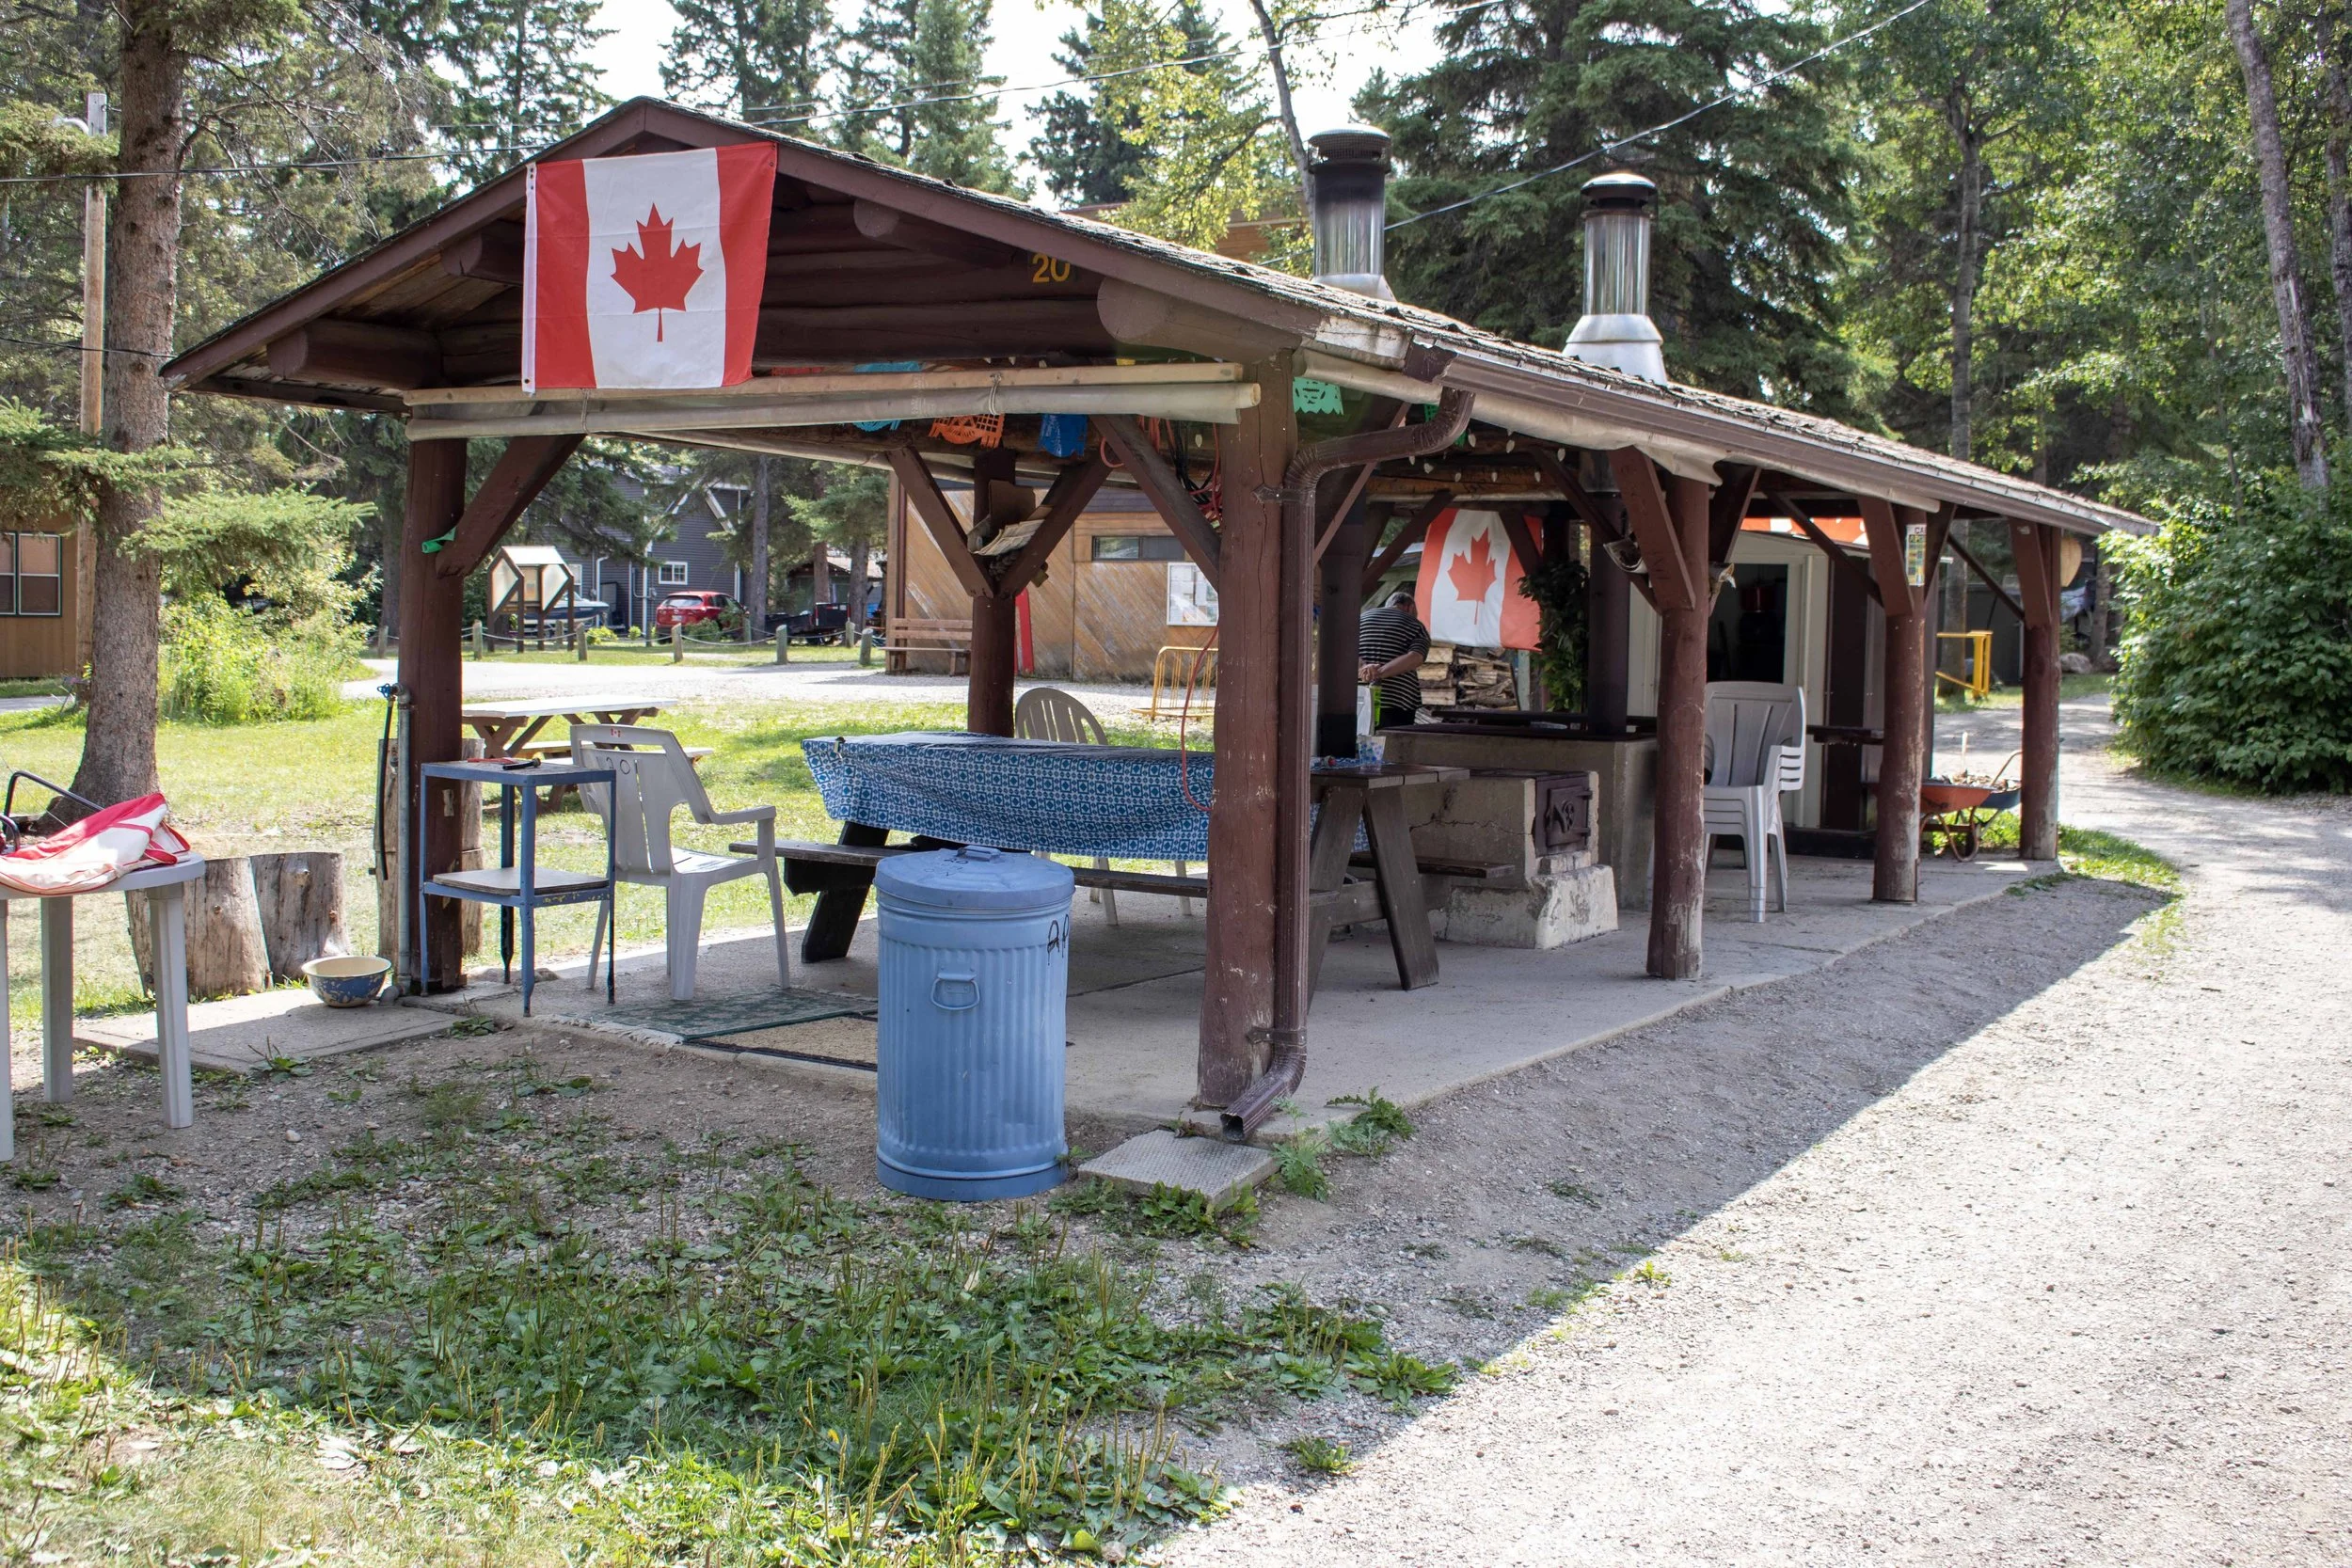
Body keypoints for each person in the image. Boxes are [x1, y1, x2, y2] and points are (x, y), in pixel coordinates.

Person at [1359, 590, 1432, 728]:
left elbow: (1346, 649)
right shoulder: (1416, 625)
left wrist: (1364, 669)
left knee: (1353, 744)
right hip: (1397, 700)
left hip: (1358, 698)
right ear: (1409, 607)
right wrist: (1379, 673)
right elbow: (1416, 657)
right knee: (1393, 745)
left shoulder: (1361, 619)